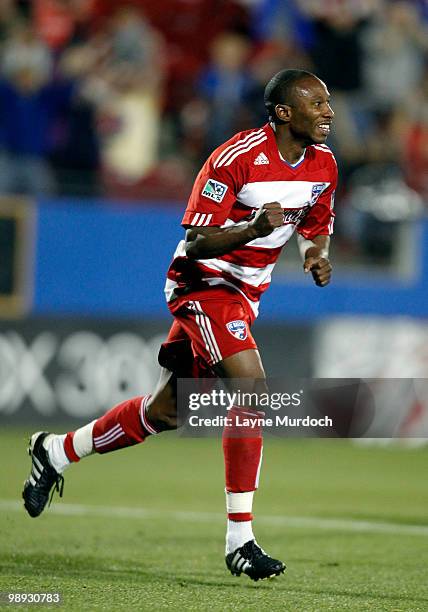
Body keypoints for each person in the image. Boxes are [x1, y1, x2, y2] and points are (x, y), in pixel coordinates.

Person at [22, 69, 336, 582]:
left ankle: (55, 450)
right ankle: (241, 540)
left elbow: (317, 225)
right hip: (203, 284)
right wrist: (253, 227)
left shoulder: (324, 164)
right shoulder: (235, 158)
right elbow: (196, 242)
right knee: (252, 393)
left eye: (328, 103)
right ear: (283, 113)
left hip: (246, 295)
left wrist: (314, 255)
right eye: (317, 103)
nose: (328, 112)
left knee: (164, 413)